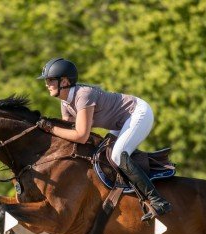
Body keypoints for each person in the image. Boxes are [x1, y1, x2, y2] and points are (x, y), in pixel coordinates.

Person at [36, 57, 171, 221]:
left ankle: (158, 201)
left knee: (117, 155)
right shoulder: (65, 102)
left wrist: (50, 128)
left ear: (63, 81)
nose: (46, 84)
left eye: (50, 80)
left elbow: (80, 135)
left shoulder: (82, 95)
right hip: (120, 122)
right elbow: (67, 130)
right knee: (103, 154)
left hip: (137, 113)